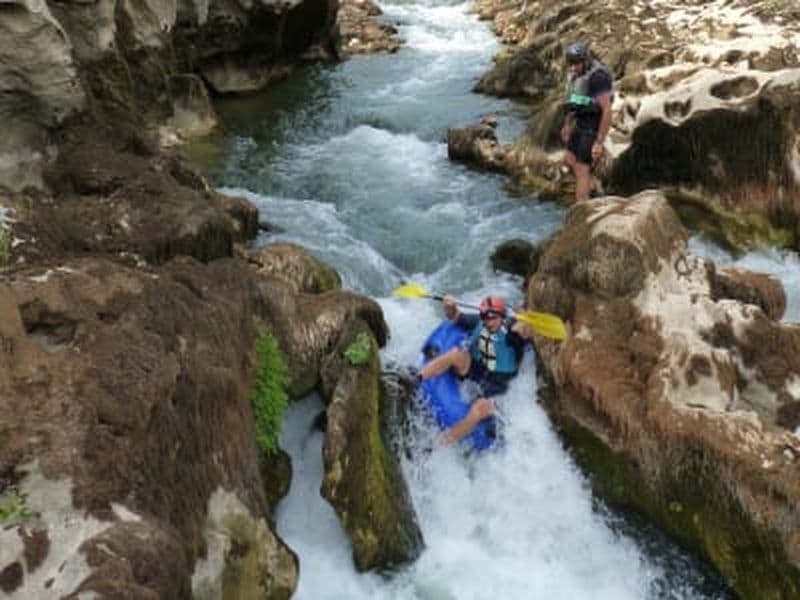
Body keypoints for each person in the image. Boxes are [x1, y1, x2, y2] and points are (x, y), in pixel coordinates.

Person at [413, 294, 533, 446]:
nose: (489, 322)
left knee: (478, 410)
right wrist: (450, 306)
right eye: (486, 317)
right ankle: (416, 379)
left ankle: (436, 445)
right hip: (478, 369)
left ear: (502, 317)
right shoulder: (480, 322)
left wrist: (525, 324)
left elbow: (525, 332)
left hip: (497, 386)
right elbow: (455, 317)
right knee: (456, 354)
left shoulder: (512, 334)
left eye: (493, 318)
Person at [560, 42, 614, 202]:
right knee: (569, 159)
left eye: (576, 64)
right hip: (581, 120)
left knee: (581, 168)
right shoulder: (576, 74)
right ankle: (592, 186)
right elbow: (573, 102)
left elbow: (607, 110)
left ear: (585, 61)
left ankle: (581, 209)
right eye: (570, 64)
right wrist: (567, 125)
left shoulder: (599, 77)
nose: (573, 68)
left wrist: (599, 142)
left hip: (593, 125)